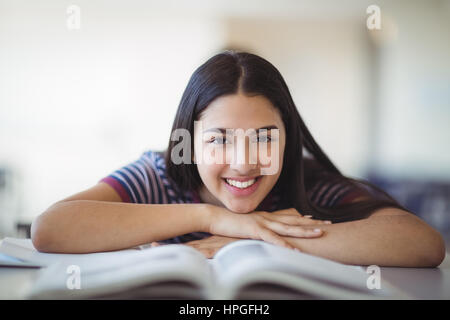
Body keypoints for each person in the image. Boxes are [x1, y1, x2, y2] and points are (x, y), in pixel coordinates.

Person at [31, 51, 445, 267]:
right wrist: (211, 219)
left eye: (264, 137)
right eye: (220, 140)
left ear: (287, 140)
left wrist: (251, 240)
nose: (244, 163)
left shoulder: (304, 182)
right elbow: (50, 229)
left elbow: (423, 244)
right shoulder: (159, 176)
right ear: (190, 144)